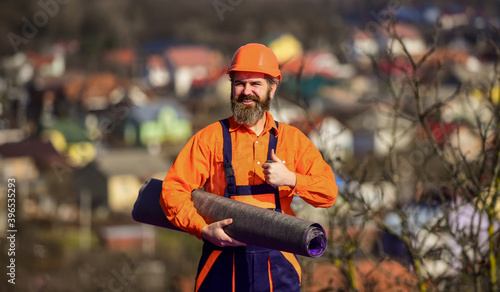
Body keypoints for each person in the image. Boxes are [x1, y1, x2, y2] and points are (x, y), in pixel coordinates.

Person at [160, 43, 338, 292]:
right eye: (239, 83)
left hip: (279, 262)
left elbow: (329, 192)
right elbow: (172, 191)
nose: (246, 92)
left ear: (272, 89)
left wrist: (292, 179)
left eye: (255, 84)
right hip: (221, 259)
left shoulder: (293, 140)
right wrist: (202, 228)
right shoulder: (209, 139)